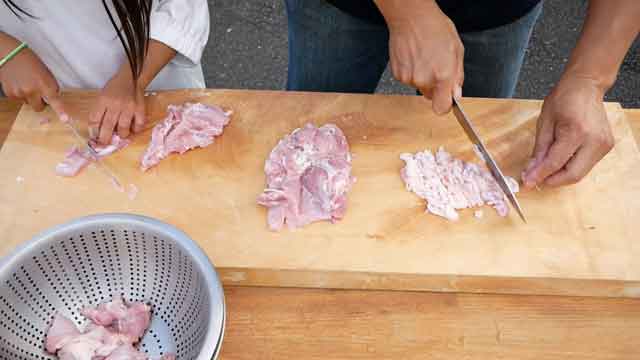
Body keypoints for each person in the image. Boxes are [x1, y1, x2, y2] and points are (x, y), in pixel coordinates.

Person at [285, 0, 640, 188]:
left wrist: (589, 78)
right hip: (341, 7)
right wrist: (408, 11)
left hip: (497, 13)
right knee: (306, 141)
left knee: (472, 147)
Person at [0, 0, 209, 145]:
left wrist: (134, 76)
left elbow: (182, 5)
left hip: (158, 79)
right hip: (52, 97)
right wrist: (4, 49)